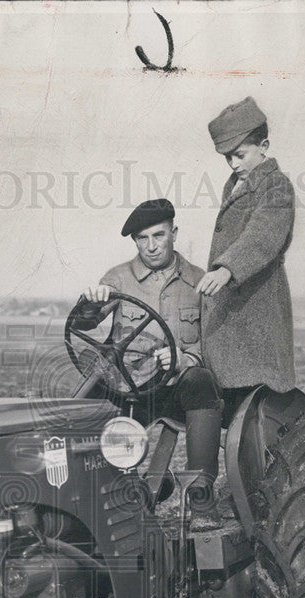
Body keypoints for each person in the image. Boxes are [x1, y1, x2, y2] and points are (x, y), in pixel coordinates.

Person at [83, 198, 224, 525]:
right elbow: (89, 321)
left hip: (177, 392)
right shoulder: (117, 279)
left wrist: (183, 360)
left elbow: (212, 343)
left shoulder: (199, 283)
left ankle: (201, 497)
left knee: (202, 381)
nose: (151, 246)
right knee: (83, 406)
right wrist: (91, 302)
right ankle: (101, 501)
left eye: (158, 236)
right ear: (135, 242)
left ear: (174, 232)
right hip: (129, 391)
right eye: (142, 239)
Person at [197, 97, 297, 410]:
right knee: (233, 397)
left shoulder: (276, 186)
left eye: (240, 155)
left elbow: (262, 236)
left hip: (258, 307)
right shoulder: (238, 184)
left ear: (263, 146)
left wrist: (226, 269)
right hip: (237, 308)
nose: (234, 164)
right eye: (228, 158)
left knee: (257, 400)